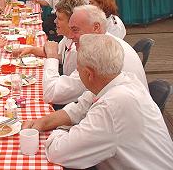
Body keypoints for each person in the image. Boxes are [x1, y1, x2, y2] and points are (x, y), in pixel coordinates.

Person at [23, 34, 173, 170]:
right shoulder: (119, 80)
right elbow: (78, 109)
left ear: (89, 74)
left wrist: (62, 130)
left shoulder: (113, 105)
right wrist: (43, 122)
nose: (77, 71)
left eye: (78, 68)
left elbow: (58, 152)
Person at [42, 5, 148, 105]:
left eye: (75, 30)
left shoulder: (99, 55)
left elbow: (51, 94)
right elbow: (82, 105)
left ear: (96, 27)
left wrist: (52, 56)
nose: (70, 36)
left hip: (122, 114)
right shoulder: (108, 42)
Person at [20, 0, 85, 77]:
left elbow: (57, 88)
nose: (55, 21)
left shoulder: (77, 51)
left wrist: (51, 57)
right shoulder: (68, 38)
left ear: (73, 22)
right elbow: (58, 54)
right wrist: (31, 50)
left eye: (59, 18)